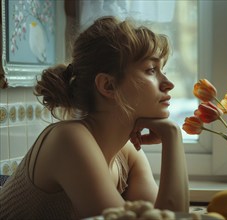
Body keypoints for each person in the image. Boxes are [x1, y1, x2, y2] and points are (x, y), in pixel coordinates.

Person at [0, 16, 189, 219]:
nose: (168, 83)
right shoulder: (68, 139)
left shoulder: (127, 154)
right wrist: (172, 135)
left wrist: (172, 135)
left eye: (163, 70)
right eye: (151, 70)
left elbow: (168, 216)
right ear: (108, 86)